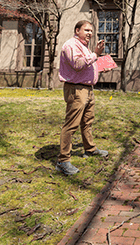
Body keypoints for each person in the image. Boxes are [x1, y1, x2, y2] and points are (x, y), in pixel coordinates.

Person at [56, 20, 110, 176]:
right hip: (76, 89)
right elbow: (78, 64)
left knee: (87, 121)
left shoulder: (84, 48)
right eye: (86, 30)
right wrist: (96, 54)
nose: (90, 33)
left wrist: (100, 67)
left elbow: (86, 66)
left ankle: (90, 149)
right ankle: (63, 161)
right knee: (71, 124)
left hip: (87, 89)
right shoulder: (70, 45)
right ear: (77, 30)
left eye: (91, 31)